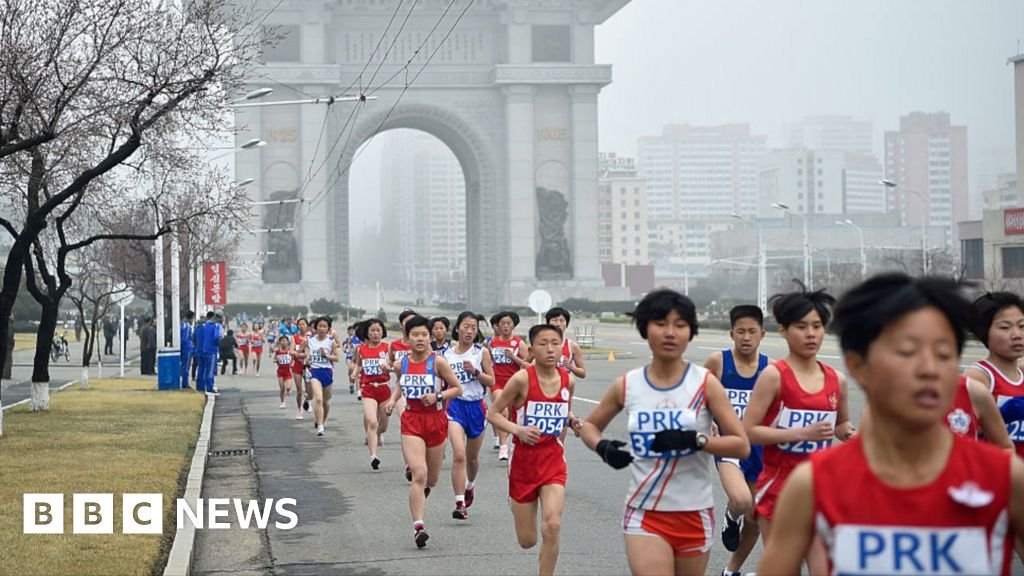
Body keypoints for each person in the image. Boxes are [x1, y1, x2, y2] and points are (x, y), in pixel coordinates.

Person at [758, 273, 1024, 575]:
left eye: (943, 354)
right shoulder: (813, 485)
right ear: (858, 365)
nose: (929, 369)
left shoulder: (1006, 478)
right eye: (907, 353)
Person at [579, 289, 749, 576]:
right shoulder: (628, 384)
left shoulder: (705, 384)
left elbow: (740, 445)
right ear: (645, 328)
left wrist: (697, 440)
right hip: (644, 512)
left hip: (694, 513)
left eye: (680, 325)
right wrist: (603, 447)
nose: (670, 332)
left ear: (690, 331)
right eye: (660, 323)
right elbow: (590, 427)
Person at [743, 281, 853, 574]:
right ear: (783, 330)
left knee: (823, 568)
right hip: (778, 486)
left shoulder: (837, 380)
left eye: (817, 326)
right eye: (802, 327)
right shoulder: (773, 376)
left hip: (820, 486)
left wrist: (851, 435)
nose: (811, 334)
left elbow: (841, 424)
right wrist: (800, 434)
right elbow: (749, 430)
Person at [488, 323, 582, 576]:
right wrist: (518, 430)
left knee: (552, 525)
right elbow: (493, 414)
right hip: (523, 462)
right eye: (543, 343)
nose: (550, 349)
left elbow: (564, 411)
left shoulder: (568, 380)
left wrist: (573, 421)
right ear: (531, 349)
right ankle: (516, 503)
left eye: (555, 343)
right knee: (527, 540)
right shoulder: (522, 379)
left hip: (553, 459)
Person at [383, 314, 462, 549]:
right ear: (406, 338)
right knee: (419, 473)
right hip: (412, 421)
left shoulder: (438, 362)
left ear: (430, 337)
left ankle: (422, 493)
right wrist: (393, 400)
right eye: (415, 334)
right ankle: (419, 526)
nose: (420, 339)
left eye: (424, 335)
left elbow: (457, 388)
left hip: (436, 420)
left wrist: (437, 396)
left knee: (432, 479)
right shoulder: (401, 363)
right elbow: (401, 383)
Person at [703, 304, 770, 576]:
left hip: (759, 449)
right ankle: (731, 516)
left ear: (762, 334)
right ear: (731, 333)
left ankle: (730, 571)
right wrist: (707, 422)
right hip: (729, 445)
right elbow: (697, 397)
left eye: (752, 331)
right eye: (740, 331)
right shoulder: (718, 362)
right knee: (742, 501)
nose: (746, 337)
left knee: (754, 520)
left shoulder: (771, 369)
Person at [444, 311, 495, 520]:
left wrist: (475, 372)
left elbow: (491, 381)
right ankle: (459, 503)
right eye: (466, 326)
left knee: (472, 459)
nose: (470, 331)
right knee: (459, 455)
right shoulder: (447, 354)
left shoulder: (481, 353)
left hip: (476, 408)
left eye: (474, 327)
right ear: (457, 328)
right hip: (455, 407)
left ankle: (470, 485)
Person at [964, 292, 1024, 457]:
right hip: (996, 470)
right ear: (984, 332)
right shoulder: (978, 378)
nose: (1017, 335)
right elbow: (960, 430)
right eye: (1005, 327)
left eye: (1022, 326)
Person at [488, 310, 530, 460]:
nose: (505, 326)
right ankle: (503, 446)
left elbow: (526, 364)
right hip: (497, 383)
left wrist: (513, 357)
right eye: (502, 323)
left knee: (512, 416)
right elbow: (489, 361)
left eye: (508, 323)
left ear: (514, 325)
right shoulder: (492, 342)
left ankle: (511, 441)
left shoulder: (519, 343)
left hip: (513, 383)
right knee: (502, 411)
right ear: (498, 326)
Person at [351, 319, 391, 469]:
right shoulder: (361, 349)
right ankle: (373, 456)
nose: (375, 333)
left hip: (384, 388)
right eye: (372, 331)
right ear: (367, 333)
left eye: (378, 330)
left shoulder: (388, 348)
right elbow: (358, 365)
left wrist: (389, 368)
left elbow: (395, 365)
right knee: (372, 421)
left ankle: (378, 434)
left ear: (383, 332)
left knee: (383, 425)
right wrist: (354, 373)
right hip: (368, 389)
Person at [306, 316, 340, 436]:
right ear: (315, 328)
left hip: (327, 372)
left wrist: (327, 355)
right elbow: (301, 351)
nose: (322, 328)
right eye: (320, 326)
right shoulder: (309, 340)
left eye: (324, 326)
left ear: (328, 329)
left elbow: (337, 358)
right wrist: (306, 358)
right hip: (315, 371)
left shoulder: (331, 341)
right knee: (319, 399)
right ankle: (320, 426)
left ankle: (323, 421)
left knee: (325, 401)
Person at [545, 307, 587, 379]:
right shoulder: (540, 344)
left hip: (564, 385)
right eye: (554, 320)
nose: (558, 324)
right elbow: (528, 365)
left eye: (562, 320)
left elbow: (583, 374)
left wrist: (571, 367)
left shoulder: (572, 346)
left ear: (567, 324)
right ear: (548, 323)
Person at [291, 318, 310, 420]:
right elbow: (291, 351)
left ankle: (307, 401)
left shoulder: (311, 337)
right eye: (300, 324)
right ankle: (299, 409)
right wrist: (300, 354)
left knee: (309, 391)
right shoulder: (294, 337)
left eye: (303, 324)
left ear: (307, 326)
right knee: (299, 390)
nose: (301, 326)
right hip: (297, 365)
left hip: (308, 366)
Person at [274, 335, 293, 408]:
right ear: (280, 342)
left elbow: (293, 358)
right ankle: (282, 402)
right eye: (282, 341)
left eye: (285, 341)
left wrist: (292, 363)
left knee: (288, 387)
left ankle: (288, 390)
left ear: (288, 342)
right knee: (282, 388)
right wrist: (276, 360)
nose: (284, 342)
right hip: (280, 371)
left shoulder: (290, 351)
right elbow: (274, 359)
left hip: (288, 371)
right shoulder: (278, 351)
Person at [344, 323, 362, 395]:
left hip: (359, 357)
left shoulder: (361, 339)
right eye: (350, 331)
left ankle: (359, 390)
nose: (351, 332)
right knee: (351, 369)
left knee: (358, 373)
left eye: (353, 331)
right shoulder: (349, 339)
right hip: (350, 357)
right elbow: (345, 348)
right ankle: (351, 383)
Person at [179, 311, 195, 390]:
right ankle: (185, 384)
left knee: (183, 365)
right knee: (186, 367)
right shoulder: (187, 326)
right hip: (187, 348)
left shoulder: (181, 324)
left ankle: (184, 383)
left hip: (183, 348)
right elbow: (185, 338)